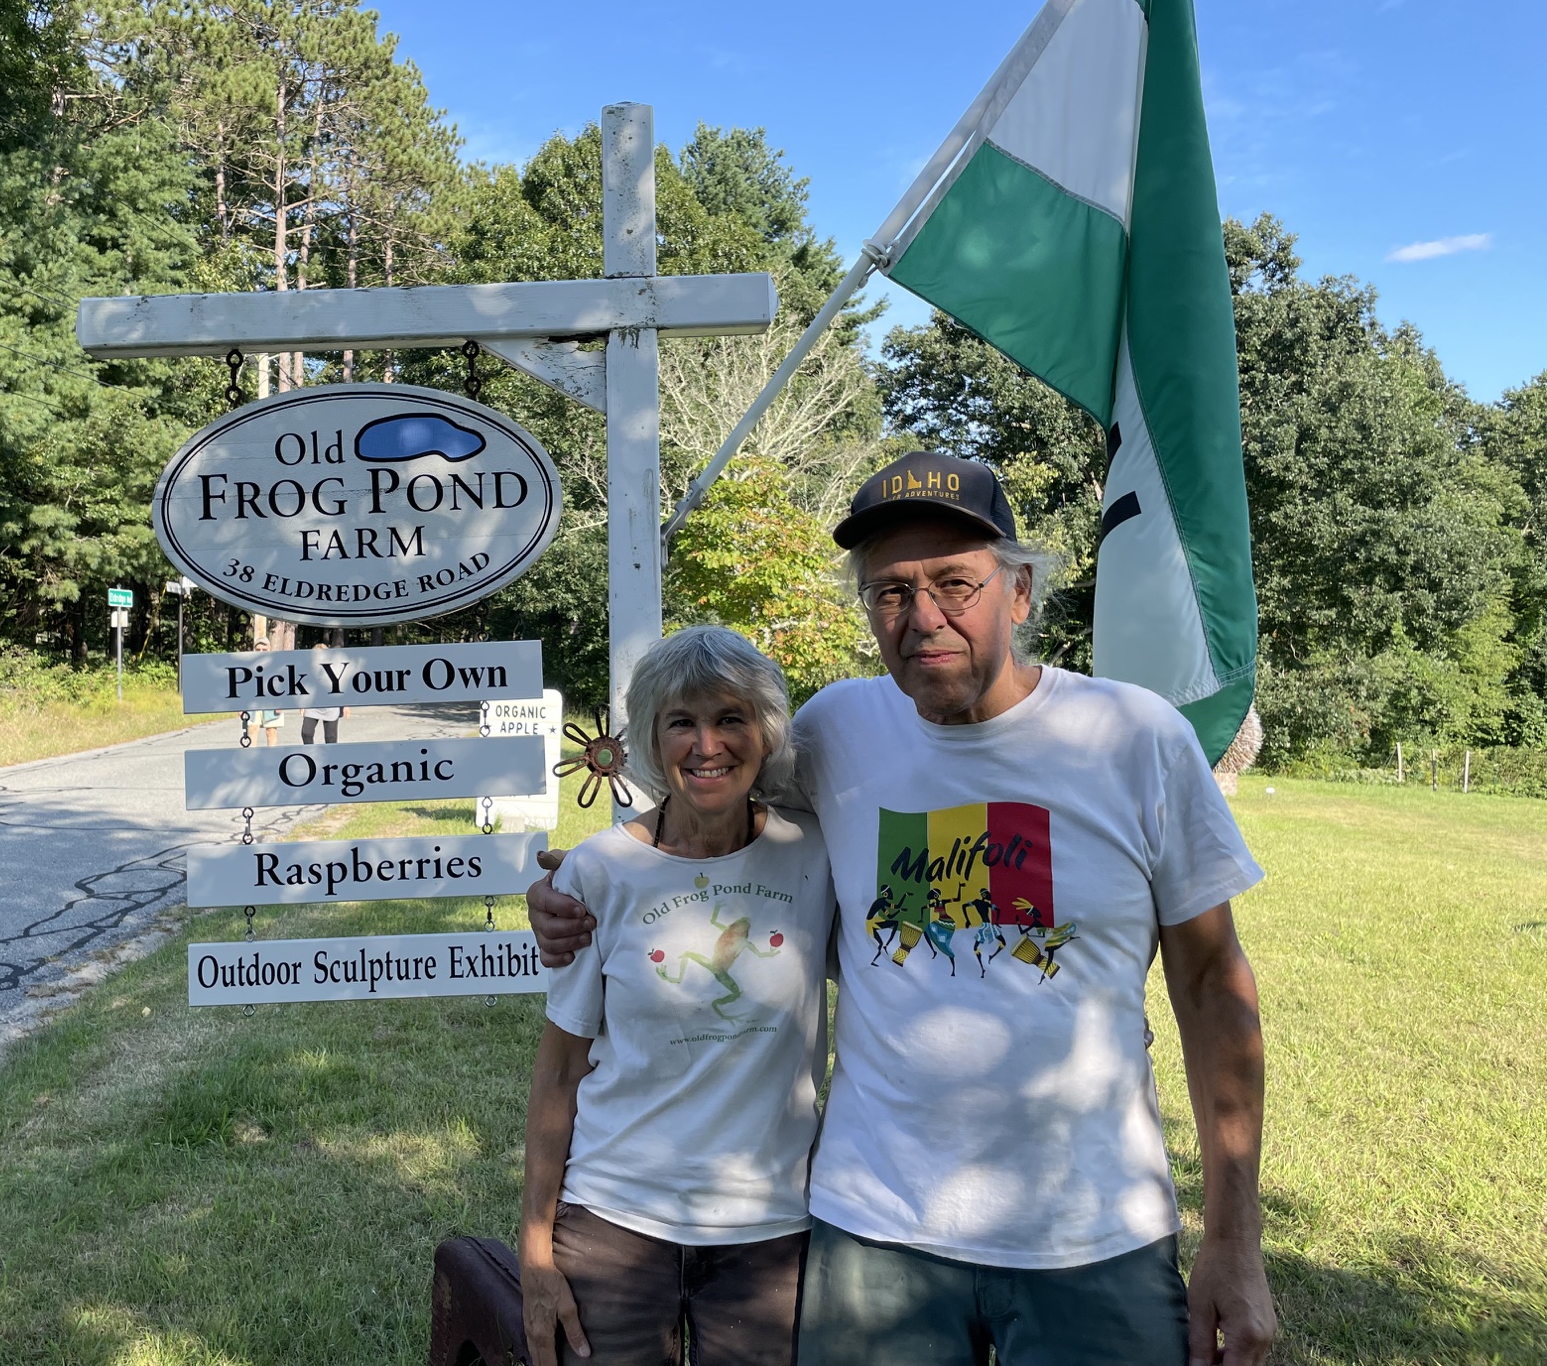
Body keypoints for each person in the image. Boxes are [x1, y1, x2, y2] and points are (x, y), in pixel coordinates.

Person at [529, 451, 1276, 1366]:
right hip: (873, 1231)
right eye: (890, 592)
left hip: (1093, 1232)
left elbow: (1212, 987)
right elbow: (709, 810)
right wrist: (579, 885)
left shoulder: (1135, 740)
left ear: (1021, 592)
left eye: (955, 584)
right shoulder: (840, 731)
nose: (923, 619)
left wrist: (1236, 1241)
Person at [522, 626, 834, 1366]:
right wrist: (536, 1250)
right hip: (613, 1223)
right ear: (650, 739)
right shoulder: (598, 873)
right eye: (682, 722)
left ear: (765, 732)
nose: (707, 745)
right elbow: (559, 1073)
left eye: (731, 718)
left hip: (771, 1229)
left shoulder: (817, 854)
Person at [300, 644, 343, 744]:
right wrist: (303, 705)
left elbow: (342, 688)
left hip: (331, 707)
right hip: (313, 706)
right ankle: (310, 755)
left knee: (330, 738)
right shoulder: (309, 669)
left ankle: (331, 759)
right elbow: (304, 688)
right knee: (306, 733)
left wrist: (346, 706)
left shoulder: (335, 669)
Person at [243, 638, 281, 747]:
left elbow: (282, 685)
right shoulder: (247, 664)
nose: (261, 652)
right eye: (258, 649)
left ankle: (272, 759)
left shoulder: (276, 663)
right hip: (252, 702)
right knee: (252, 730)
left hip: (272, 701)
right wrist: (240, 706)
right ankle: (251, 759)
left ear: (269, 649)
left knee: (271, 731)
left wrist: (281, 702)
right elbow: (241, 687)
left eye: (264, 649)